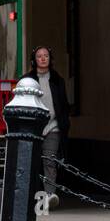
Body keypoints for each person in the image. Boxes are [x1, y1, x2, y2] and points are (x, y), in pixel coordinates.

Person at [28, 45, 70, 210]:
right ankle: (37, 199)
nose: (43, 58)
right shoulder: (28, 80)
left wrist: (64, 122)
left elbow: (63, 104)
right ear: (34, 60)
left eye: (46, 55)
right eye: (40, 56)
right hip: (34, 127)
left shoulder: (57, 80)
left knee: (49, 161)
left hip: (53, 126)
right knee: (34, 163)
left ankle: (49, 196)